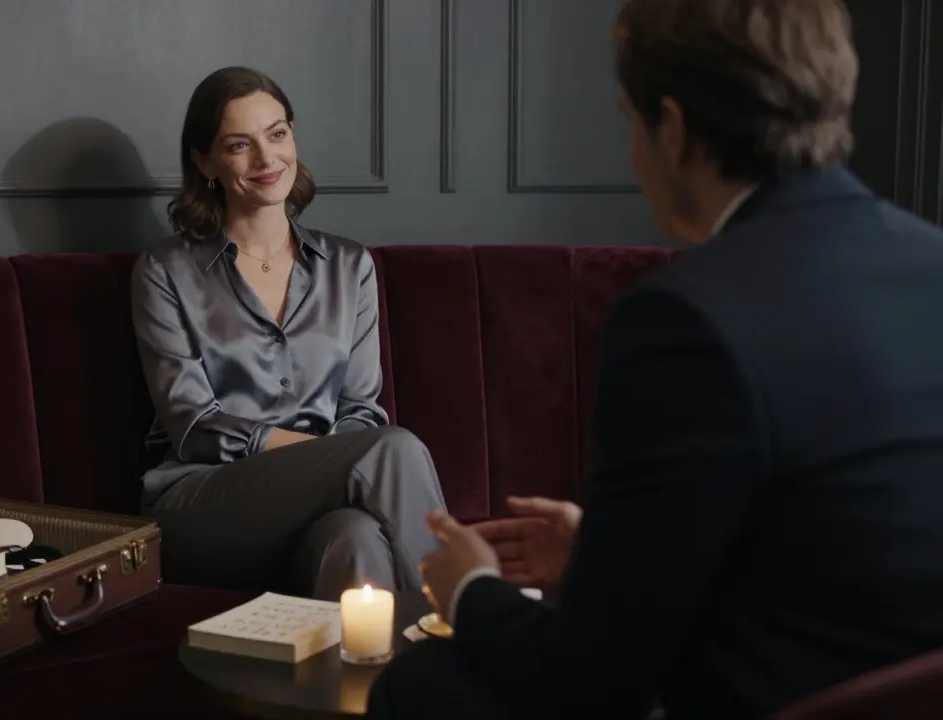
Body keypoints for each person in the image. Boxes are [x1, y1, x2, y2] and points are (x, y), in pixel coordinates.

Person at [367, 0, 943, 718]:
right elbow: (835, 549)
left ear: (671, 129)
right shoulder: (931, 261)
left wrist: (471, 591)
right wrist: (607, 556)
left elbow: (589, 683)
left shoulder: (685, 316)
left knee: (421, 685)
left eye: (629, 122)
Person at [130, 66, 447, 602]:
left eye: (277, 134)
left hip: (323, 498)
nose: (266, 159)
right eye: (238, 145)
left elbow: (359, 410)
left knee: (357, 540)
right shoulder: (165, 271)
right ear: (204, 161)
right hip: (203, 502)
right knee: (391, 450)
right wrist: (325, 460)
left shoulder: (349, 266)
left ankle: (377, 684)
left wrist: (328, 466)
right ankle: (461, 630)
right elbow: (192, 423)